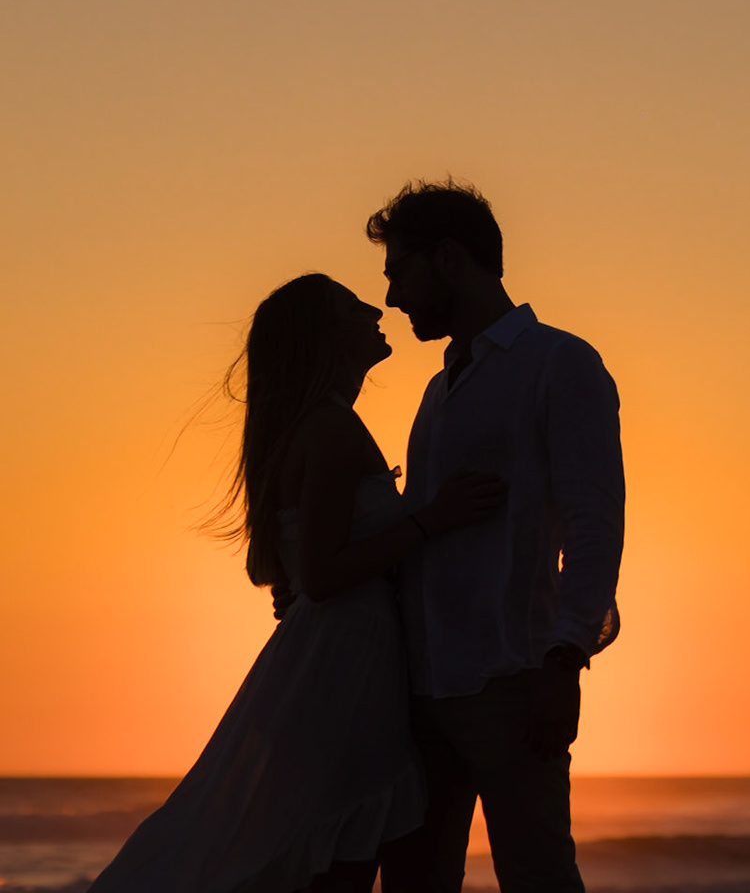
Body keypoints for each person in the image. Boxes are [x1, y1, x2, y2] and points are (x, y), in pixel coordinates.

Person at [90, 274, 505, 893]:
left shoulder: (312, 428)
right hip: (343, 663)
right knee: (335, 849)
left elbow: (287, 570)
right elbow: (322, 573)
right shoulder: (331, 429)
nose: (374, 310)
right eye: (351, 307)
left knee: (323, 846)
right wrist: (431, 519)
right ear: (325, 337)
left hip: (335, 654)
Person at [369, 180, 625, 893]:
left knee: (537, 878)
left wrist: (564, 659)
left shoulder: (559, 364)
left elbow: (595, 524)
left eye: (400, 272)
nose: (392, 297)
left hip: (512, 682)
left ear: (449, 258)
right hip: (421, 688)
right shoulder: (439, 390)